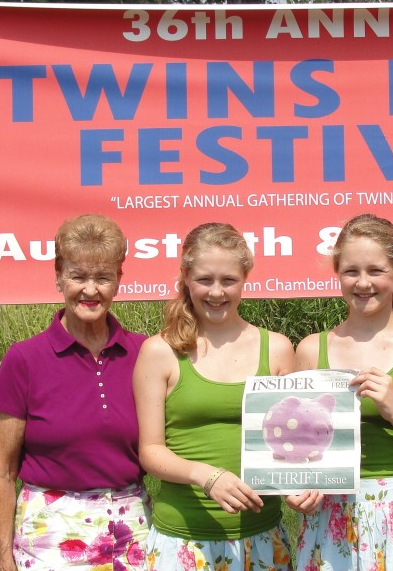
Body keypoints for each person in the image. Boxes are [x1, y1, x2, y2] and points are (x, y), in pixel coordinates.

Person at [0, 214, 150, 571]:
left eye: (103, 277)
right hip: (50, 535)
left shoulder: (144, 353)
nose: (90, 290)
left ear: (119, 280)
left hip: (132, 530)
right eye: (78, 276)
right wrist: (3, 557)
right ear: (59, 274)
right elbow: (0, 470)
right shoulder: (24, 359)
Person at [288, 213, 393, 571]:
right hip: (329, 517)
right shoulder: (312, 350)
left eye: (376, 271)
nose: (363, 283)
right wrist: (297, 492)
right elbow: (298, 452)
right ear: (338, 273)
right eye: (351, 271)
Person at [133, 222, 296, 571]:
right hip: (183, 539)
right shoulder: (159, 352)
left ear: (245, 278)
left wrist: (301, 486)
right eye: (205, 280)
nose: (217, 292)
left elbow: (292, 443)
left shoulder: (278, 349)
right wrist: (206, 476)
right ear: (186, 278)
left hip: (262, 536)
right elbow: (150, 451)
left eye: (229, 280)